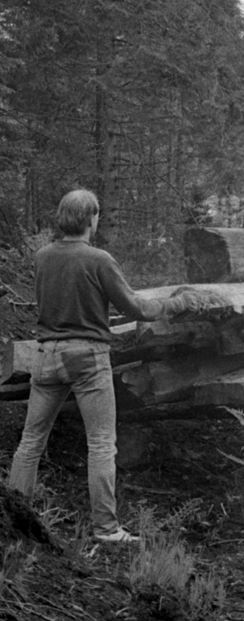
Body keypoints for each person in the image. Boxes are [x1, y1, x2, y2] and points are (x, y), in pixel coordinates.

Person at [6, 190, 199, 543]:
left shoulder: (43, 256)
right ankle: (106, 529)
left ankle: (13, 521)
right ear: (90, 219)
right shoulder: (99, 260)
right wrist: (178, 302)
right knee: (100, 443)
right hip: (87, 358)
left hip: (45, 354)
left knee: (31, 441)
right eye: (96, 217)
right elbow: (136, 308)